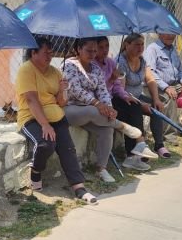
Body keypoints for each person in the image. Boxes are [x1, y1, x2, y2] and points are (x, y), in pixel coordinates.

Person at [16, 37, 99, 204]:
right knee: (45, 144)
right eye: (46, 53)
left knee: (68, 149)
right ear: (34, 53)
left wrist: (62, 91)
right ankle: (36, 171)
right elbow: (31, 100)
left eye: (51, 53)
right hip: (31, 118)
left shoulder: (55, 72)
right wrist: (45, 125)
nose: (50, 57)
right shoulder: (26, 70)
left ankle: (79, 187)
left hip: (57, 117)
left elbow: (62, 103)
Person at [63, 37, 145, 183]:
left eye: (95, 51)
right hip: (71, 109)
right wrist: (97, 104)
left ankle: (101, 169)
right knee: (93, 111)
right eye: (88, 50)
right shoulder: (70, 65)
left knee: (107, 129)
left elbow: (103, 91)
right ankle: (122, 126)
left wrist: (109, 108)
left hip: (93, 111)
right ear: (78, 49)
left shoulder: (95, 68)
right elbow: (75, 90)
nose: (92, 54)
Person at [92, 36, 160, 173]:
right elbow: (97, 89)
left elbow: (117, 87)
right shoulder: (92, 65)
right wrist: (111, 78)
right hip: (98, 102)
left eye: (107, 46)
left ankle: (136, 151)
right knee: (130, 111)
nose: (105, 50)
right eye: (101, 47)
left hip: (112, 98)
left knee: (133, 105)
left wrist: (125, 96)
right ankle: (136, 149)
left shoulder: (110, 63)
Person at [113, 34, 172, 162]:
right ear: (126, 45)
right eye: (136, 44)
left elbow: (150, 79)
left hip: (138, 96)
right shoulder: (120, 62)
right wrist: (141, 105)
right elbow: (121, 91)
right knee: (135, 109)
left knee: (156, 108)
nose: (140, 48)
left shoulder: (142, 59)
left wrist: (156, 99)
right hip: (123, 100)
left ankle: (159, 145)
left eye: (142, 44)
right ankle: (138, 149)